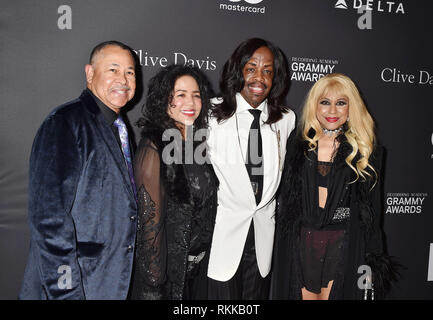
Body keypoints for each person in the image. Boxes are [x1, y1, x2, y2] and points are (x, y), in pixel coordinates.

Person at [19, 41, 138, 299]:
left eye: (130, 72)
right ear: (89, 73)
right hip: (75, 287)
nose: (123, 79)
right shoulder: (65, 122)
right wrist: (66, 292)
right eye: (113, 70)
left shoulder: (119, 128)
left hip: (108, 282)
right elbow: (48, 219)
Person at [271, 73, 399, 300]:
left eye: (341, 103)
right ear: (314, 106)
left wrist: (373, 257)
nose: (332, 111)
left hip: (344, 243)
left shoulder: (366, 151)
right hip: (301, 243)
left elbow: (373, 211)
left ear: (352, 108)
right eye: (325, 102)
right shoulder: (297, 145)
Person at [206, 38, 296, 299]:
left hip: (262, 242)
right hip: (222, 239)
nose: (260, 78)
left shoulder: (286, 119)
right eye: (251, 68)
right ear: (238, 70)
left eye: (268, 70)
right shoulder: (212, 113)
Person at [129, 64, 218, 300]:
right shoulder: (153, 149)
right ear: (164, 100)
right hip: (168, 282)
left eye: (196, 95)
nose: (190, 103)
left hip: (197, 274)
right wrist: (154, 288)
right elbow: (150, 227)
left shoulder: (197, 144)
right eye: (180, 95)